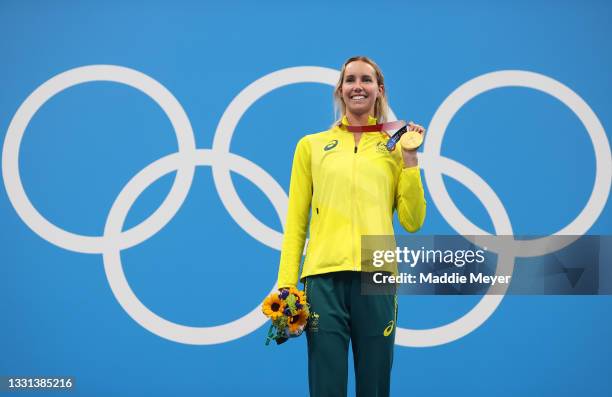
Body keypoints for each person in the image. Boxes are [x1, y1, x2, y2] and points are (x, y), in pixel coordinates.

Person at [276, 55, 427, 397]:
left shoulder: (395, 148)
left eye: (366, 80)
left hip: (376, 274)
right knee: (326, 388)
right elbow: (296, 223)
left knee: (374, 388)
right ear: (340, 90)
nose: (358, 86)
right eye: (350, 80)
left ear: (379, 90)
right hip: (323, 279)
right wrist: (287, 287)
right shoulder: (311, 146)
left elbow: (413, 221)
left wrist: (410, 161)